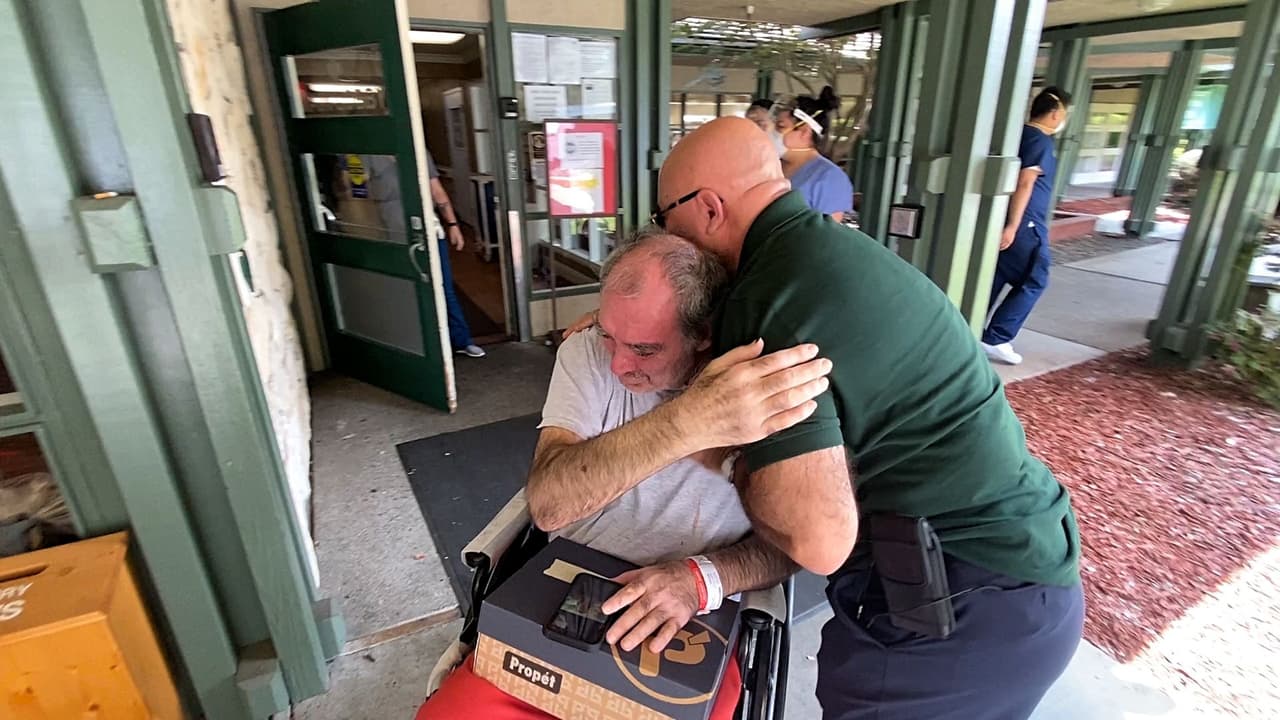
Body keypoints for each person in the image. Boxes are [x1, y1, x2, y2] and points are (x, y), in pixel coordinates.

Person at [647, 116, 1084, 719]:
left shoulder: (766, 298)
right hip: (1028, 583)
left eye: (665, 221)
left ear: (710, 209)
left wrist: (730, 456)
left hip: (949, 614)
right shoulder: (834, 251)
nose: (667, 240)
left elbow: (817, 539)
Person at [415, 230, 825, 720]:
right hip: (563, 587)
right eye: (609, 333)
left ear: (704, 333)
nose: (617, 365)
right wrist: (688, 421)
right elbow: (549, 506)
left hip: (690, 614)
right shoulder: (586, 353)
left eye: (644, 349)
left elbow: (799, 541)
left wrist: (703, 579)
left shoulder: (768, 391)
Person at [981, 87, 1073, 366]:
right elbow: (1026, 182)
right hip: (1026, 223)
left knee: (995, 276)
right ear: (1056, 114)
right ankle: (996, 338)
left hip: (1012, 221)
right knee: (1034, 279)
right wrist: (1013, 224)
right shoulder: (1039, 141)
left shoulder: (1018, 135)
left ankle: (970, 328)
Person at [364, 151, 487, 358]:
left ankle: (461, 340)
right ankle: (415, 346)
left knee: (443, 287)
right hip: (393, 235)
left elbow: (436, 190)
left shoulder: (417, 151)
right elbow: (355, 191)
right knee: (404, 289)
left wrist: (453, 224)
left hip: (428, 232)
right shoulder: (369, 156)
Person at [772, 87, 854, 222]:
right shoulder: (772, 166)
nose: (772, 133)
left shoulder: (830, 179)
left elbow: (827, 236)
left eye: (780, 127)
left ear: (805, 132)